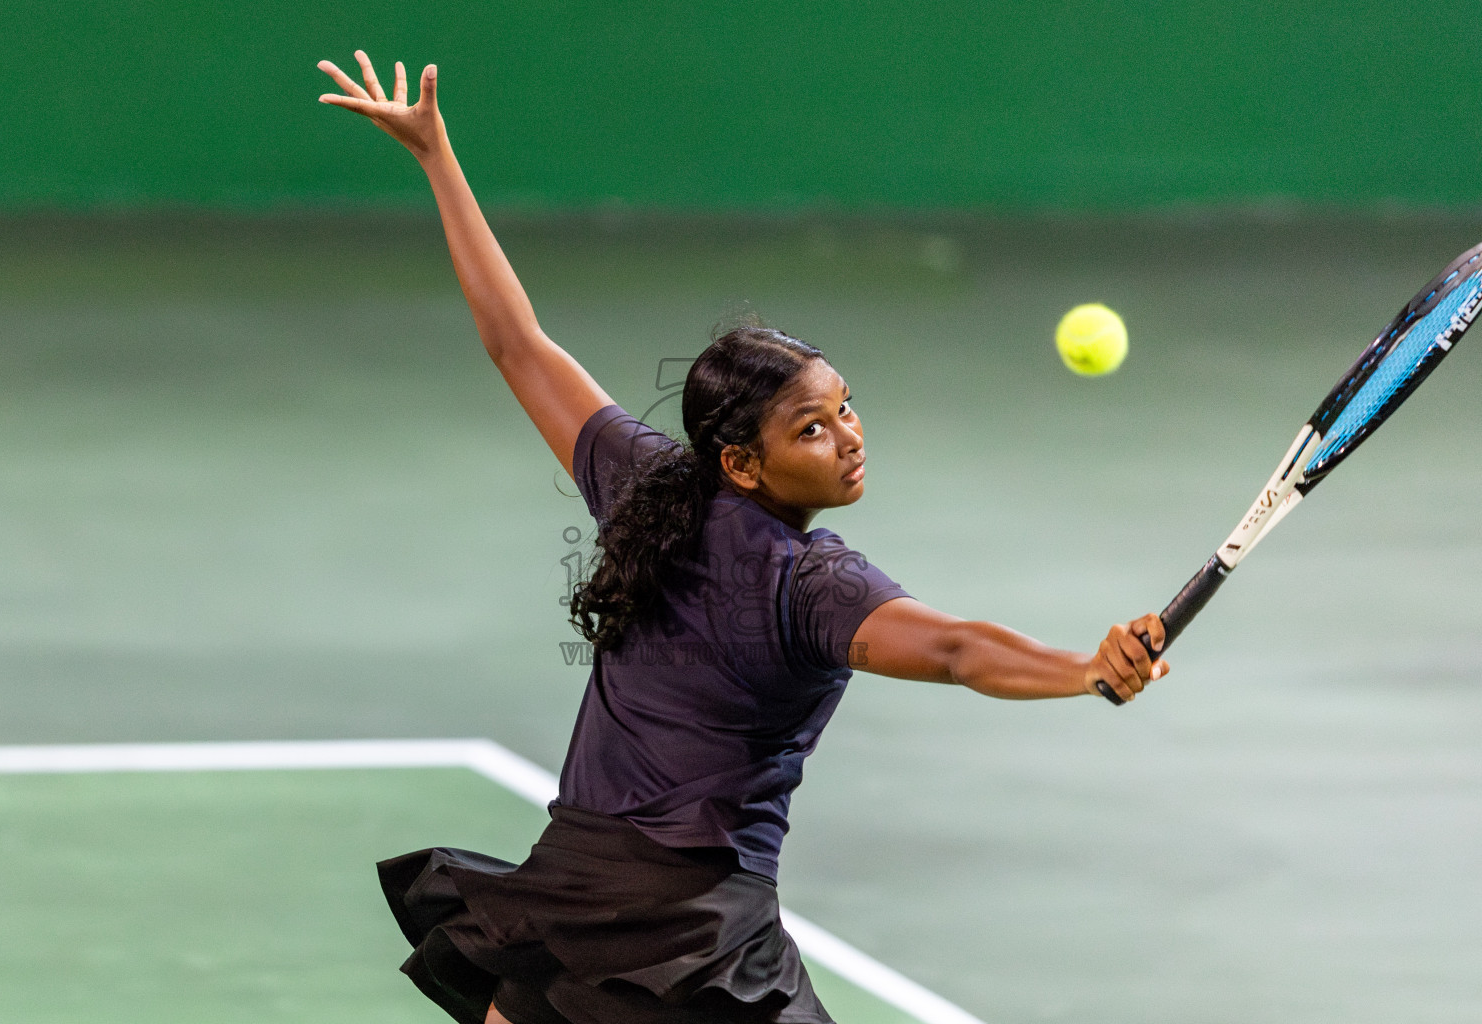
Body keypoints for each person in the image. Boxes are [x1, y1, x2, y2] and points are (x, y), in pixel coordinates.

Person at [317, 52, 1169, 1024]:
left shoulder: (646, 483)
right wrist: (1084, 670)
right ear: (743, 462)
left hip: (570, 896)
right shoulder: (812, 585)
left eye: (846, 407)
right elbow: (953, 649)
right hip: (692, 938)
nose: (849, 436)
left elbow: (516, 344)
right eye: (812, 428)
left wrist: (436, 157)